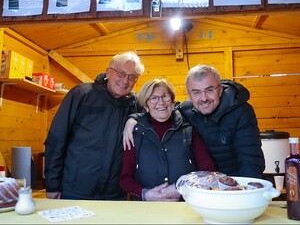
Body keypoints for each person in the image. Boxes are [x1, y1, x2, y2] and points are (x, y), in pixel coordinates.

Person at [123, 64, 265, 179]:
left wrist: (246, 191)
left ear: (220, 89)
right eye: (196, 92)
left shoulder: (241, 111)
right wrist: (133, 119)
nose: (203, 98)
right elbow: (160, 111)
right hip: (204, 185)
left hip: (237, 182)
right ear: (189, 95)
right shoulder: (186, 110)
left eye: (209, 90)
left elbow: (250, 159)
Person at [44, 51, 145, 200]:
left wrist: (134, 117)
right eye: (121, 73)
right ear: (109, 72)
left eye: (132, 77)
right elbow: (56, 139)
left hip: (115, 194)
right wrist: (52, 184)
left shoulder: (134, 105)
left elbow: (161, 110)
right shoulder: (81, 94)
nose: (125, 81)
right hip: (76, 190)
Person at [120, 78, 216, 201]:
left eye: (165, 96)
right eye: (154, 98)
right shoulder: (135, 133)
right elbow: (125, 179)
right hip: (146, 209)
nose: (161, 102)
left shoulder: (189, 130)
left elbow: (209, 172)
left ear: (172, 100)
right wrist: (146, 194)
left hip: (186, 204)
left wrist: (182, 188)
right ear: (146, 105)